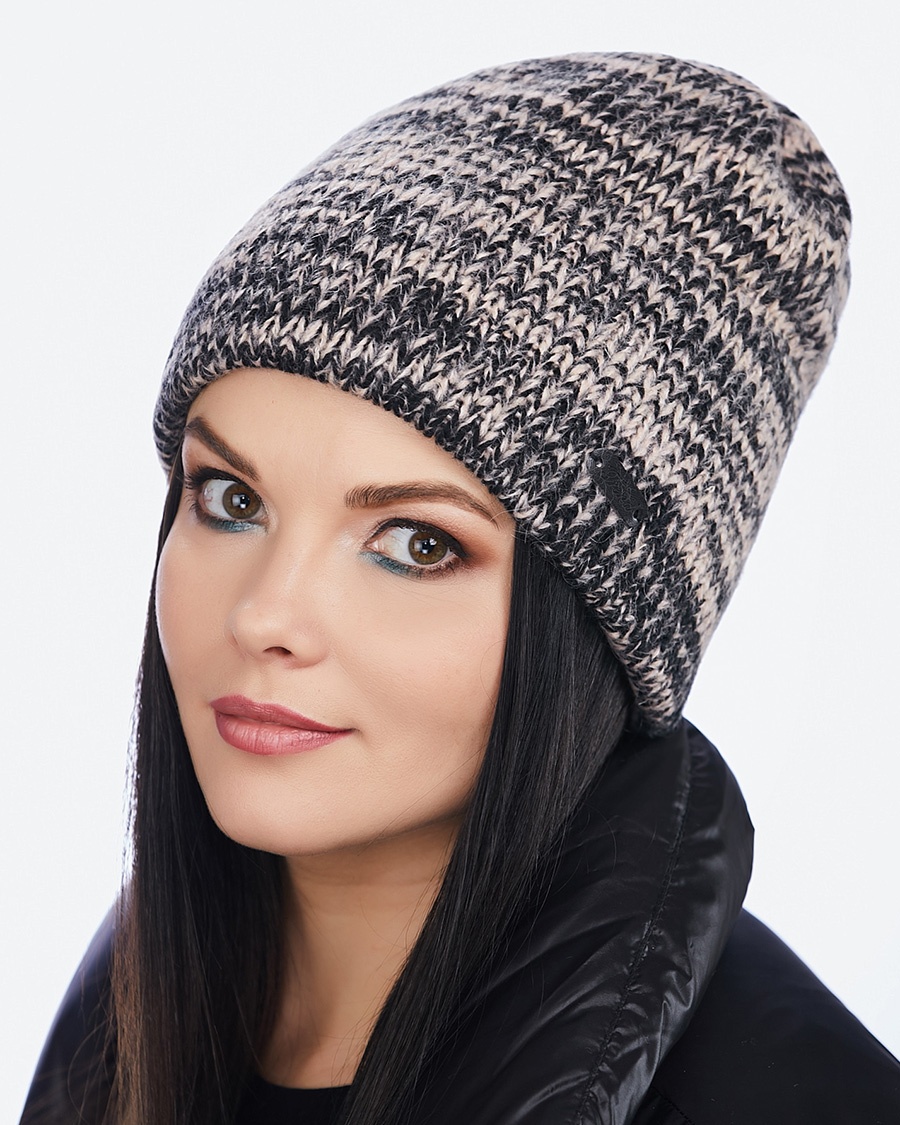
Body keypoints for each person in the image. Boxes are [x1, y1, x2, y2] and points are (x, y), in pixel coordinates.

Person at [21, 51, 900, 1125]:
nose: (265, 615)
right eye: (232, 500)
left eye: (416, 543)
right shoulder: (127, 1011)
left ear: (601, 626)